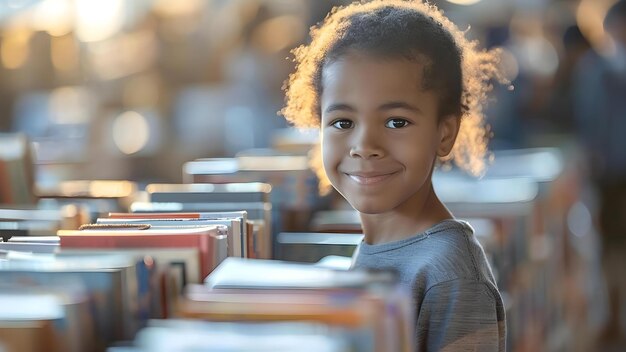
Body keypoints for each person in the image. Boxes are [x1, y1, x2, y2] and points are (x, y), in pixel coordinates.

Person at [281, 1, 506, 351]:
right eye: (343, 122)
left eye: (396, 122)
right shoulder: (377, 249)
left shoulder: (453, 276)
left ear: (444, 133)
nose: (364, 145)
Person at [573, 0, 626, 345]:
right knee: (612, 247)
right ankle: (614, 314)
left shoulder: (596, 69)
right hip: (611, 174)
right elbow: (588, 122)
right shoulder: (594, 69)